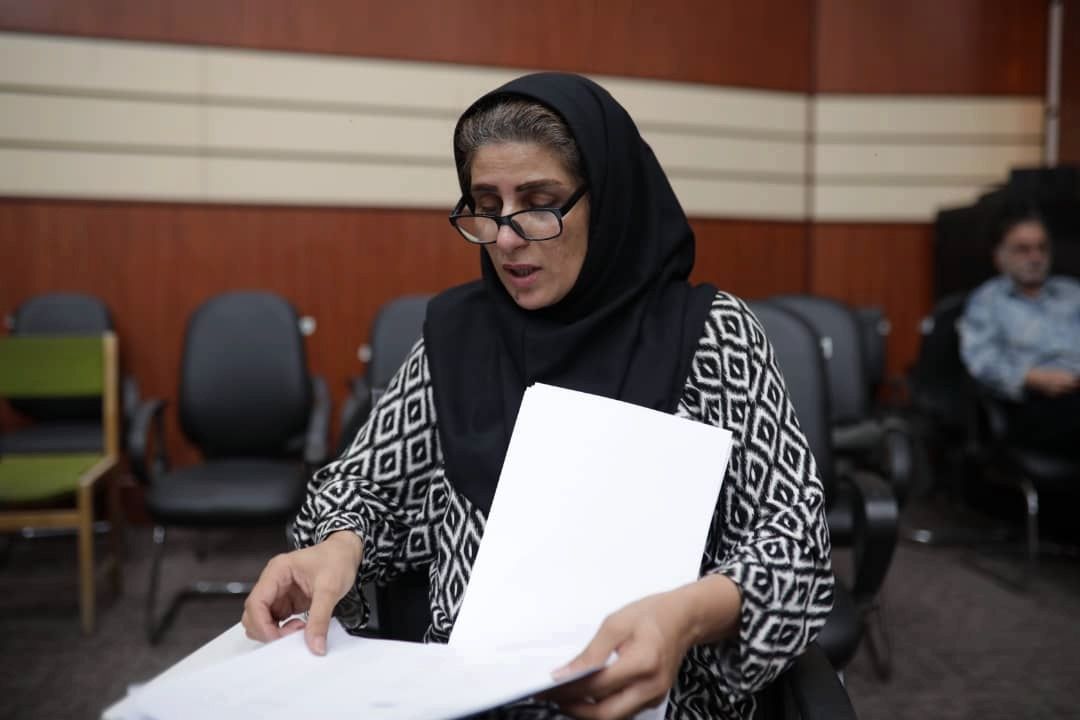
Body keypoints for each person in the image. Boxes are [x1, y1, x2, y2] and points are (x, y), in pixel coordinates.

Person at [242, 72, 833, 720]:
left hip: (659, 702)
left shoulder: (712, 338)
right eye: (485, 205)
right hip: (466, 700)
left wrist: (687, 616)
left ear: (606, 199)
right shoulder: (458, 335)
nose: (505, 237)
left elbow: (795, 546)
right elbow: (364, 488)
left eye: (539, 203)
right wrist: (338, 546)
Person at [959, 209, 1080, 458]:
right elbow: (981, 361)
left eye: (1042, 248)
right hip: (1034, 402)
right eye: (1023, 249)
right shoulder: (987, 301)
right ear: (999, 257)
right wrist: (1030, 377)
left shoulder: (1072, 293)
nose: (1035, 257)